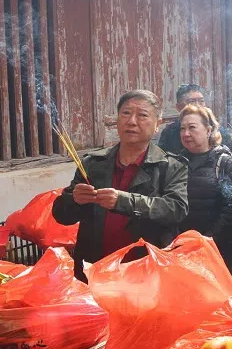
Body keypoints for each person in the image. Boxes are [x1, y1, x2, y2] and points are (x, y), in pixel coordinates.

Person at [52, 90, 189, 281]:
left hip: (146, 272)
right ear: (117, 120)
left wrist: (123, 201)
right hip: (95, 269)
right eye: (126, 113)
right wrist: (74, 200)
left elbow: (176, 209)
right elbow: (61, 215)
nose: (132, 121)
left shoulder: (170, 166)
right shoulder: (93, 164)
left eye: (142, 115)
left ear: (157, 124)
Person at [178, 104, 232, 282]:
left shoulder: (224, 163)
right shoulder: (177, 163)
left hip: (220, 249)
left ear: (208, 130)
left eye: (192, 127)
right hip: (185, 248)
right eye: (182, 129)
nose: (186, 133)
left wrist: (209, 239)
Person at [157, 84, 232, 155]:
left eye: (201, 101)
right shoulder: (170, 133)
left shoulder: (219, 132)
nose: (198, 105)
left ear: (208, 131)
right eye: (192, 102)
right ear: (179, 107)